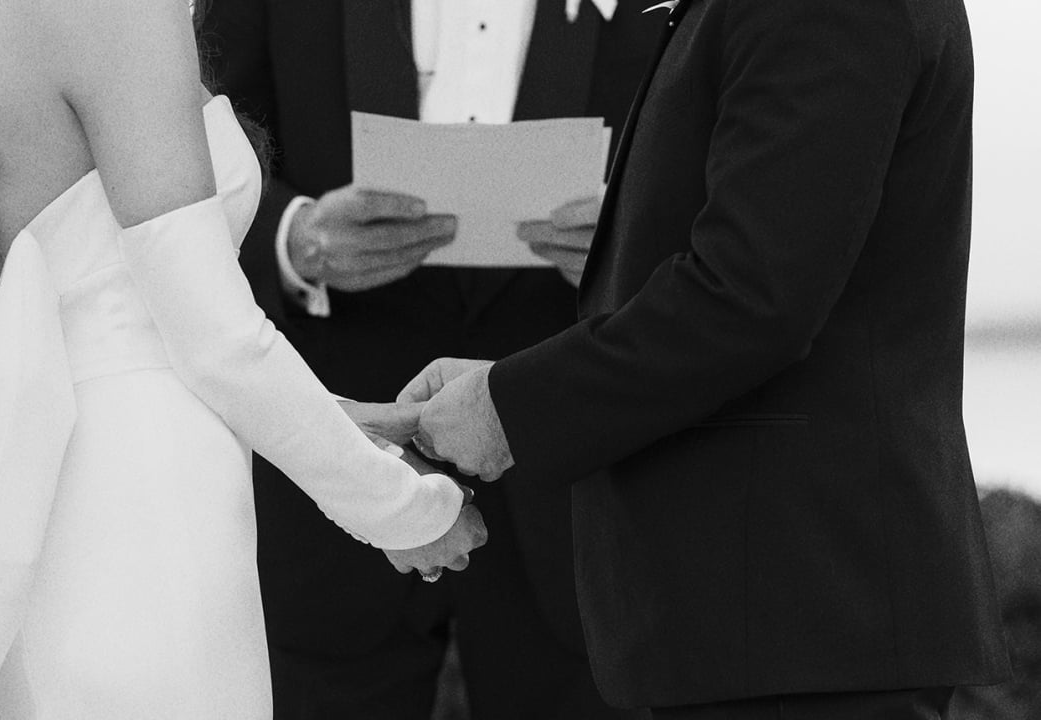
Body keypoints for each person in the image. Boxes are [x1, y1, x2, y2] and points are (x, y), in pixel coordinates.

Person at [0, 0, 487, 716]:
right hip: (141, 507)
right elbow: (209, 336)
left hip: (83, 467)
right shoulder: (114, 11)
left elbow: (121, 319)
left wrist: (349, 425)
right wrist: (400, 508)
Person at [403, 0, 1013, 717]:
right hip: (774, 627)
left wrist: (506, 408)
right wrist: (498, 387)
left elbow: (749, 298)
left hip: (806, 624)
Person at [201, 1, 658, 717]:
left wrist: (638, 242)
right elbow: (182, 150)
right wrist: (296, 237)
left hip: (578, 493)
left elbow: (742, 176)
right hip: (336, 490)